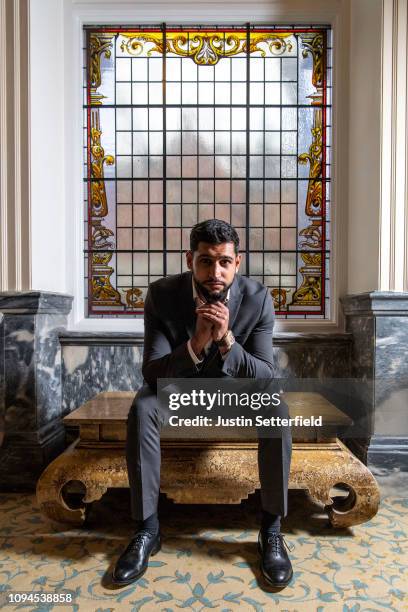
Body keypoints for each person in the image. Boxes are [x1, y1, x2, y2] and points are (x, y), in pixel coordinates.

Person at [112, 219, 293, 588]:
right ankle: (147, 529)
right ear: (189, 260)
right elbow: (152, 373)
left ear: (237, 263)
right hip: (179, 391)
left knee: (276, 406)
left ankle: (271, 531)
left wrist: (226, 340)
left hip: (234, 393)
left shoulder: (257, 298)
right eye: (206, 261)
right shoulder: (162, 295)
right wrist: (195, 345)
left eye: (225, 262)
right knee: (144, 405)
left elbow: (265, 376)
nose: (216, 271)